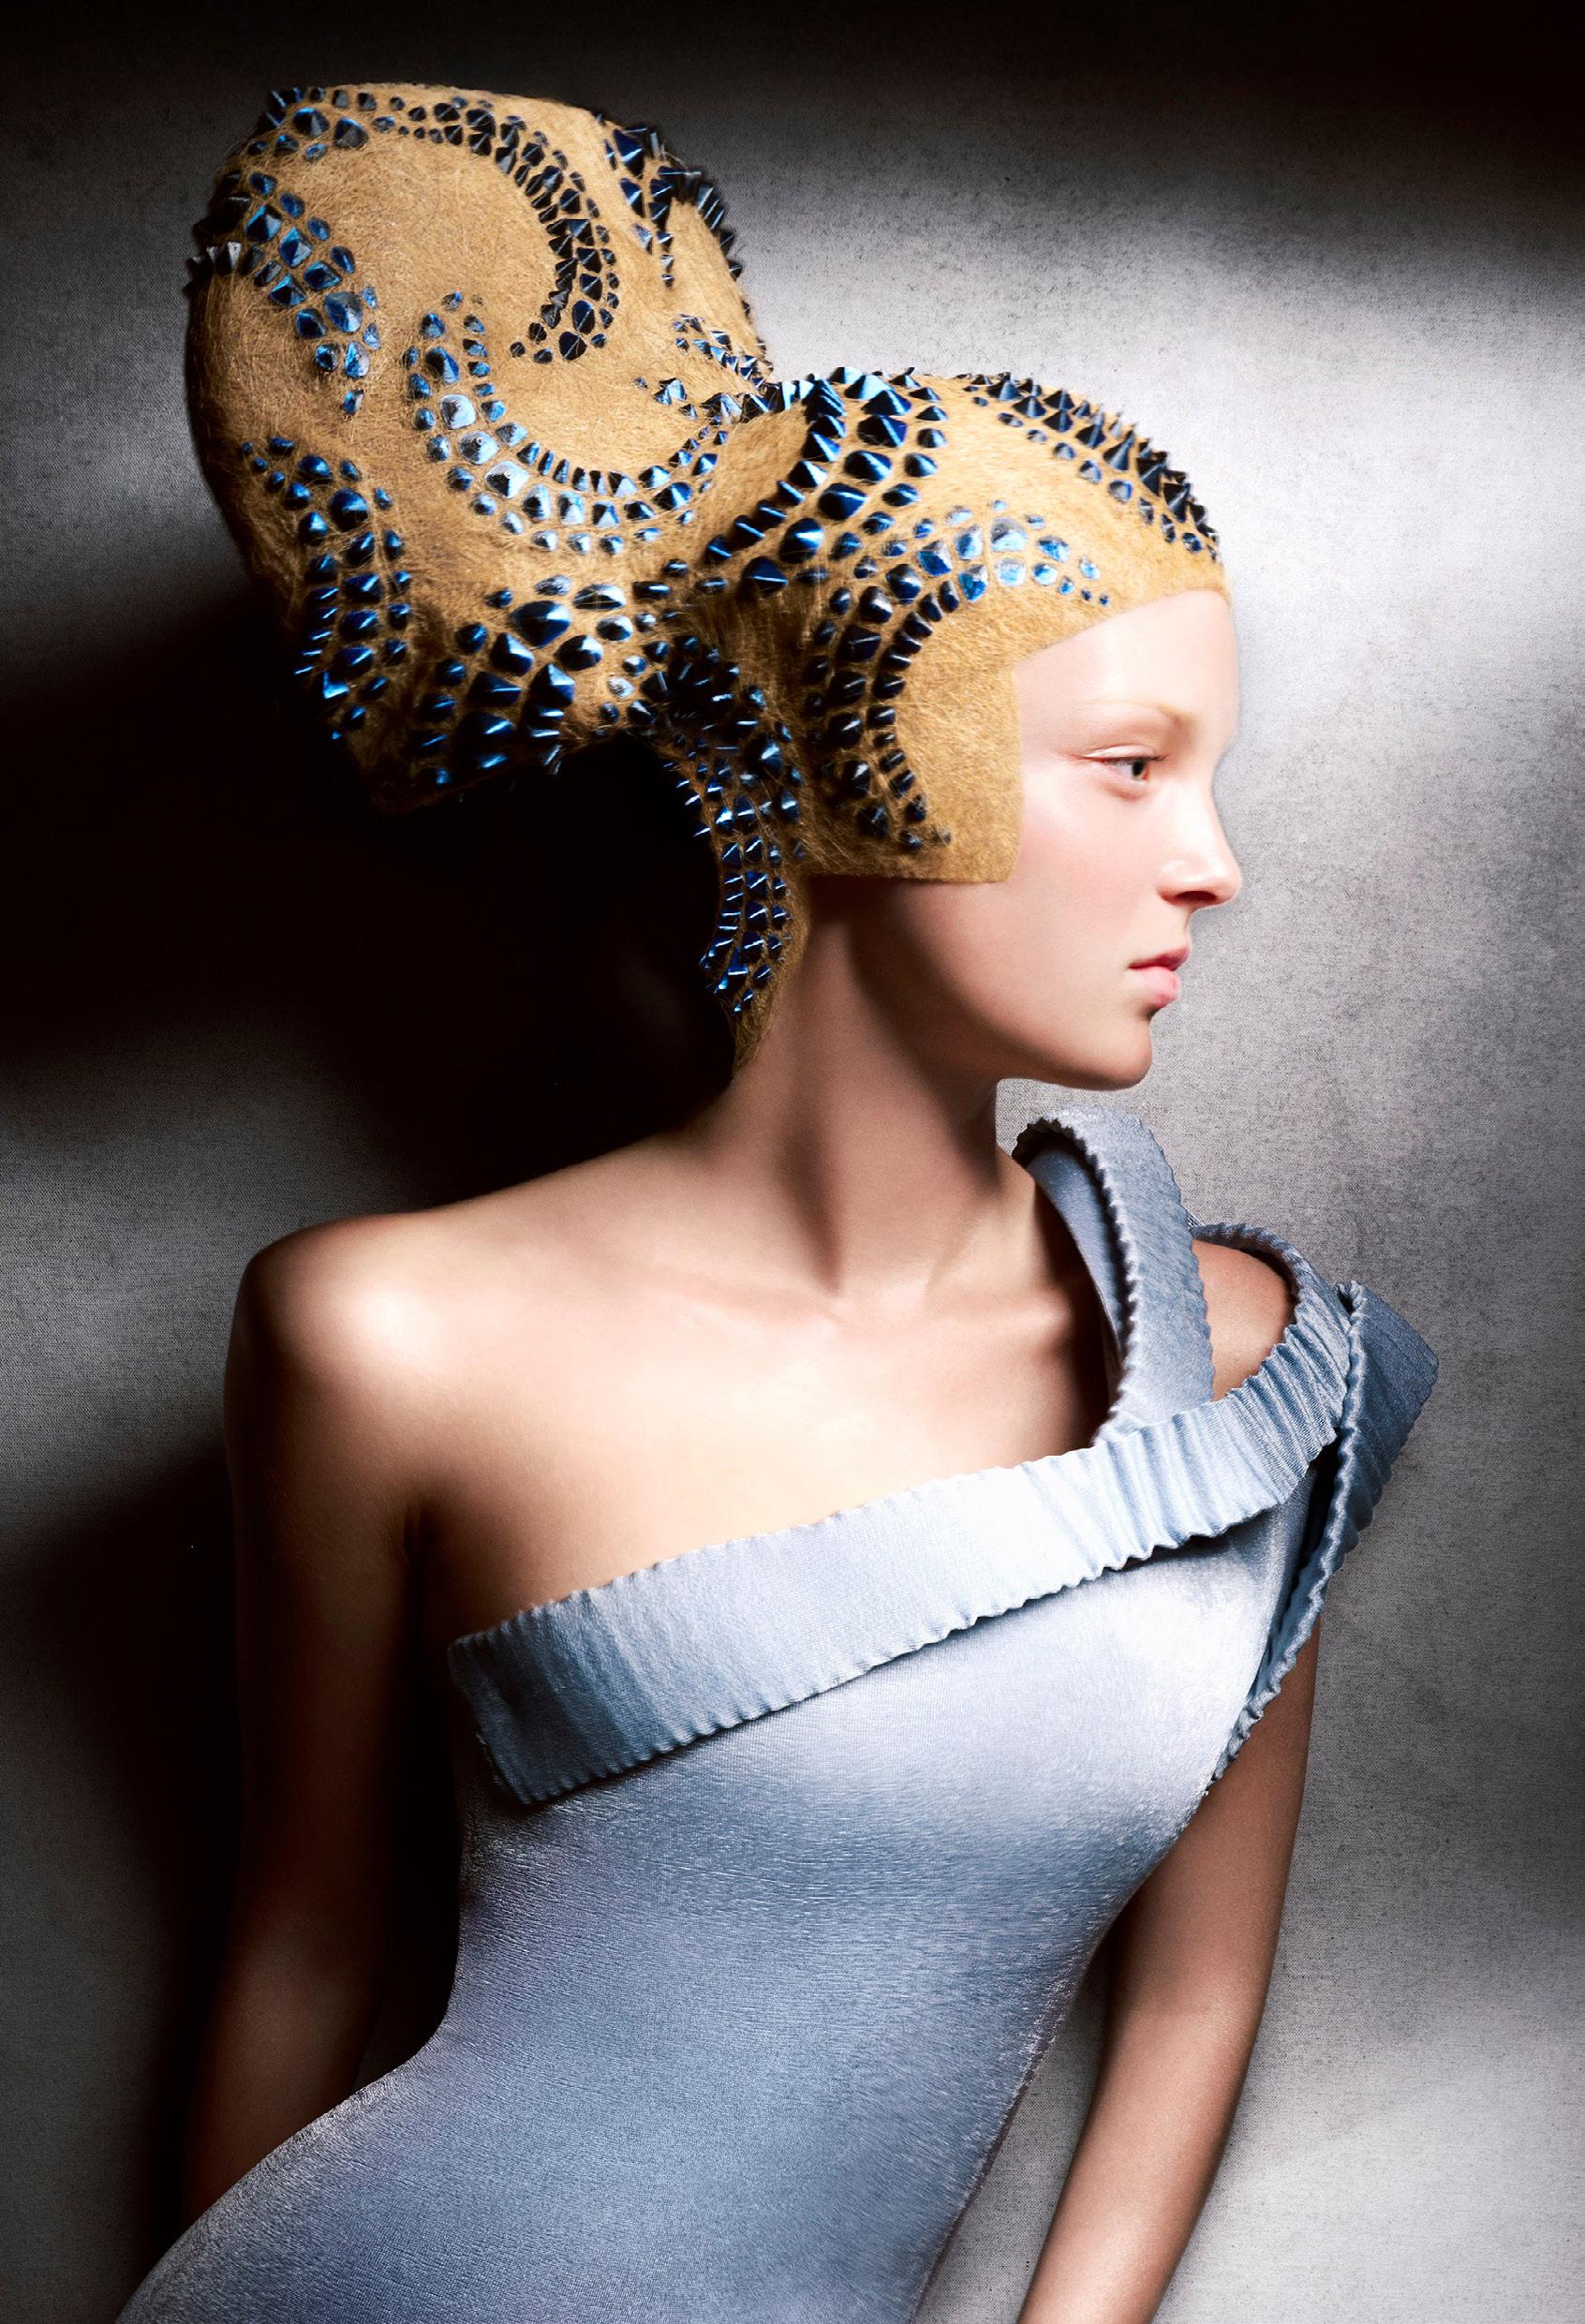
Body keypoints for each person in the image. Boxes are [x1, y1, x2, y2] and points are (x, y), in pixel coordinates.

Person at [115, 80, 1438, 2324]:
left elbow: (1194, 2000)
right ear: (860, 768)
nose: (1211, 862)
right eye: (1128, 767)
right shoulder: (384, 1333)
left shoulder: (1240, 1364)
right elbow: (303, 1947)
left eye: (1207, 775)